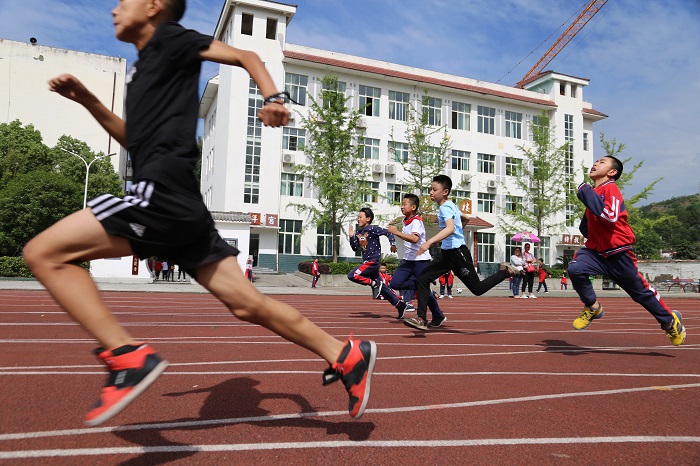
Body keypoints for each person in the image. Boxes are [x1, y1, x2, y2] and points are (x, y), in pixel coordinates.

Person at [24, 0, 376, 426]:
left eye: (125, 0)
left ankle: (124, 355)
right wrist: (88, 101)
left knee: (45, 253)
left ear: (154, 7)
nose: (115, 8)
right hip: (182, 201)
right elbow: (135, 139)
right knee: (247, 304)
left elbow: (246, 55)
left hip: (159, 191)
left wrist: (275, 98)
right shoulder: (144, 70)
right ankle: (344, 354)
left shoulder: (170, 39)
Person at [568, 156, 685, 345]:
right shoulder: (596, 193)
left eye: (602, 162)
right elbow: (586, 227)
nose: (596, 163)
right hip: (596, 253)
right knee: (575, 268)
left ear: (612, 172)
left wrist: (584, 192)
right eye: (596, 161)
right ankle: (593, 307)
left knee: (641, 294)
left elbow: (610, 216)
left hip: (617, 253)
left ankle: (670, 322)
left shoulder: (610, 188)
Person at [403, 175, 518, 330]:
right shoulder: (450, 206)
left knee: (477, 289)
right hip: (446, 254)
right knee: (422, 279)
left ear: (445, 192)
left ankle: (505, 272)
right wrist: (455, 233)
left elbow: (450, 228)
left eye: (434, 189)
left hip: (458, 254)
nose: (430, 192)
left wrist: (429, 242)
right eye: (430, 189)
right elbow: (465, 218)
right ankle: (422, 319)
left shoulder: (445, 207)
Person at [386, 193, 445, 324]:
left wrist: (396, 232)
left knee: (422, 288)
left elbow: (415, 239)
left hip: (421, 260)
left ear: (413, 207)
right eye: (401, 204)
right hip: (408, 260)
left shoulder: (417, 221)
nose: (402, 206)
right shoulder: (404, 221)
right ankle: (421, 286)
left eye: (404, 204)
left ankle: (438, 315)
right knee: (395, 283)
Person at [348, 207, 408, 316]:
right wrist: (351, 237)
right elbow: (355, 248)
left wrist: (393, 244)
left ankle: (374, 283)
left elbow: (388, 232)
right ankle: (399, 304)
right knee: (383, 288)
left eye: (360, 217)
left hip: (372, 262)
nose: (358, 219)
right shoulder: (359, 233)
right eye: (357, 217)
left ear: (368, 219)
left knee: (352, 275)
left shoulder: (372, 229)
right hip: (368, 263)